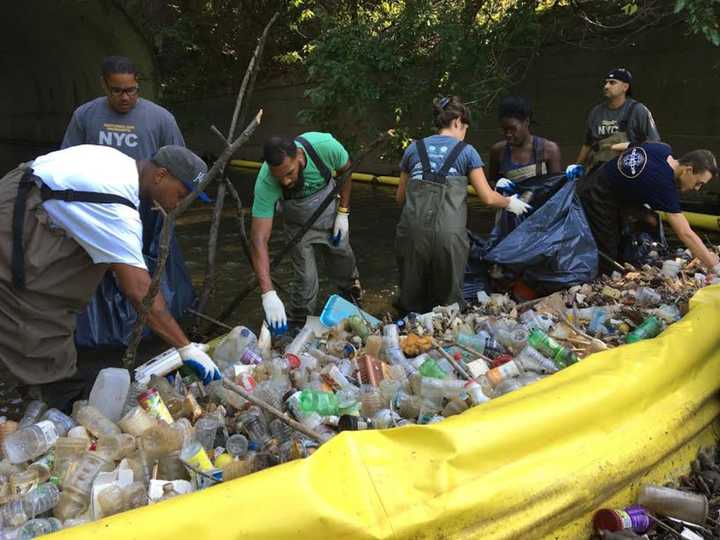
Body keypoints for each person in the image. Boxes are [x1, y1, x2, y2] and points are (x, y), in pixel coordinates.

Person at [0, 144, 221, 410]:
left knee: (66, 290)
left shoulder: (118, 164)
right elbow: (140, 291)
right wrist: (185, 347)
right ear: (160, 175)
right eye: (181, 194)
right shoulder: (117, 206)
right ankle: (46, 405)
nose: (180, 204)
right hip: (18, 215)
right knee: (32, 308)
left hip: (29, 196)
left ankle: (43, 388)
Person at [61, 55, 194, 350]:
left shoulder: (160, 119)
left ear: (138, 85)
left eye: (131, 90)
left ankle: (153, 328)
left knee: (146, 269)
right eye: (116, 90)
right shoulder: (85, 116)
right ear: (104, 86)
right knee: (102, 268)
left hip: (147, 208)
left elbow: (180, 167)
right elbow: (69, 159)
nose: (124, 97)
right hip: (100, 210)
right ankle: (103, 333)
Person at [395, 96, 531, 313]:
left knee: (410, 298)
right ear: (457, 122)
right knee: (448, 302)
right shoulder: (466, 152)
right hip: (449, 238)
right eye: (465, 128)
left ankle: (403, 334)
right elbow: (487, 197)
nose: (464, 134)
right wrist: (509, 203)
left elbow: (400, 198)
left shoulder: (413, 149)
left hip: (411, 233)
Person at [250, 133, 361, 334]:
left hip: (331, 220)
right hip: (298, 230)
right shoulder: (265, 182)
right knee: (306, 281)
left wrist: (343, 212)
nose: (285, 182)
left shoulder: (325, 147)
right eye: (279, 177)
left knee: (345, 266)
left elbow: (346, 170)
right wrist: (268, 294)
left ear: (300, 157)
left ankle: (354, 309)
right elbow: (259, 239)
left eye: (289, 173)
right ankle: (298, 327)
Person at [577, 143, 720, 274]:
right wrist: (712, 265)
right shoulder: (664, 185)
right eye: (698, 183)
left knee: (651, 220)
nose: (696, 189)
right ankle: (598, 277)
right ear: (688, 170)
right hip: (598, 197)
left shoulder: (662, 149)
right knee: (608, 254)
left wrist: (619, 166)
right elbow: (685, 233)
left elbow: (625, 146)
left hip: (598, 178)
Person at [572, 68, 661, 174]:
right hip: (598, 171)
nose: (606, 86)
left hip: (627, 171)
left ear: (625, 87)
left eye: (612, 83)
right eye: (606, 83)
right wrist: (577, 165)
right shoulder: (596, 112)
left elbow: (655, 144)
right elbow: (588, 144)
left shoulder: (638, 110)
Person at [487, 96, 562, 184]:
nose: (508, 134)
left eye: (512, 129)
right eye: (504, 129)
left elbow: (558, 188)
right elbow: (493, 184)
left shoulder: (549, 149)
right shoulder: (498, 151)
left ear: (526, 121)